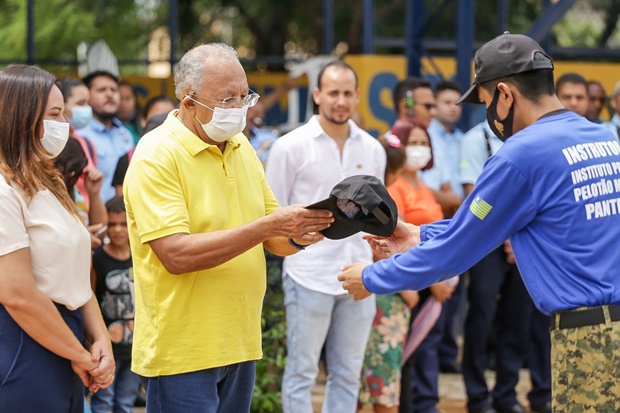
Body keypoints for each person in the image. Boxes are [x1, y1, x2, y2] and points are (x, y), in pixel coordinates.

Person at [339, 33, 620, 412]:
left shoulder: (521, 155)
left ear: (505, 94)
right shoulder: (603, 139)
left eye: (486, 101)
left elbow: (457, 251)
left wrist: (370, 278)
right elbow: (479, 227)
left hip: (589, 339)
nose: (489, 116)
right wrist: (420, 233)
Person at [123, 43, 333, 413]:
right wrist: (266, 227)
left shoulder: (240, 146)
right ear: (189, 103)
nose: (239, 108)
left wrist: (307, 230)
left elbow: (275, 239)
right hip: (183, 350)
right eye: (227, 99)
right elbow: (175, 254)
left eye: (244, 95)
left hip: (238, 341)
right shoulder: (156, 155)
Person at [265, 60, 386, 413]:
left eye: (348, 93)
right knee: (301, 373)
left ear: (358, 96)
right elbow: (272, 214)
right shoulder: (290, 146)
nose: (341, 101)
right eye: (333, 92)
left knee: (348, 374)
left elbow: (377, 217)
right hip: (307, 274)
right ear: (317, 95)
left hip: (359, 276)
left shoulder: (372, 149)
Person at [0, 64, 114, 412]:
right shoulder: (4, 190)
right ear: (22, 116)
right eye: (55, 114)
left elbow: (76, 272)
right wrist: (80, 353)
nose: (64, 123)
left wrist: (101, 339)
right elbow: (16, 293)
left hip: (67, 337)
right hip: (24, 342)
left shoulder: (46, 182)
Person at [459, 121, 546, 413]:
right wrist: (506, 233)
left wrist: (519, 235)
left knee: (517, 319)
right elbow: (474, 194)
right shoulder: (476, 139)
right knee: (481, 316)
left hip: (524, 245)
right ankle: (477, 396)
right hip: (487, 243)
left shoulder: (535, 139)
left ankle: (506, 395)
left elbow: (541, 194)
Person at [381, 119, 449, 413]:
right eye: (414, 143)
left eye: (425, 143)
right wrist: (432, 281)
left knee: (427, 352)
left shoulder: (422, 185)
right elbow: (397, 239)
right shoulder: (395, 187)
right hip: (413, 284)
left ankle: (426, 405)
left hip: (434, 281)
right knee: (407, 357)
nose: (420, 149)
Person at [358, 133, 420, 413]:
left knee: (360, 381)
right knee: (384, 379)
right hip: (386, 298)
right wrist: (408, 292)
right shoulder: (381, 205)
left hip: (369, 292)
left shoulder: (363, 199)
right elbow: (377, 249)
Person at [90, 196, 140, 413]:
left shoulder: (140, 257)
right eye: (112, 224)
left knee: (126, 403)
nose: (118, 229)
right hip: (107, 347)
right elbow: (89, 296)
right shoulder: (98, 259)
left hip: (135, 346)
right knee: (103, 403)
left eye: (123, 223)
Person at [78, 71, 134, 202]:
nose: (109, 94)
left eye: (114, 90)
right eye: (101, 90)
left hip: (124, 217)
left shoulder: (125, 134)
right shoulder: (80, 135)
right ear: (87, 96)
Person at [58, 77, 99, 205]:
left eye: (88, 103)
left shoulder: (86, 143)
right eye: (81, 104)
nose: (86, 109)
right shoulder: (52, 144)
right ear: (62, 106)